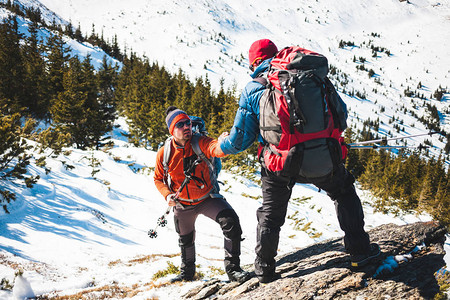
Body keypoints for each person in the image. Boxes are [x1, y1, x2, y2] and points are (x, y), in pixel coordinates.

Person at [218, 39, 380, 284]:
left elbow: (240, 140)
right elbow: (342, 115)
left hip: (280, 164)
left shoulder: (254, 88)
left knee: (271, 214)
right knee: (343, 191)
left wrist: (220, 146)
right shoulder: (311, 76)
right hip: (323, 157)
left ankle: (265, 269)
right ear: (278, 55)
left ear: (254, 62)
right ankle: (360, 254)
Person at [154, 106, 251, 283]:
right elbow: (158, 179)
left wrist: (224, 142)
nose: (186, 127)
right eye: (180, 124)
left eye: (188, 123)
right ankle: (187, 274)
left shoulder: (200, 142)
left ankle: (233, 269)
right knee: (185, 239)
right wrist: (167, 195)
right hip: (182, 205)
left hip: (207, 199)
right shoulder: (165, 153)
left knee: (231, 223)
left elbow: (216, 149)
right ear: (171, 130)